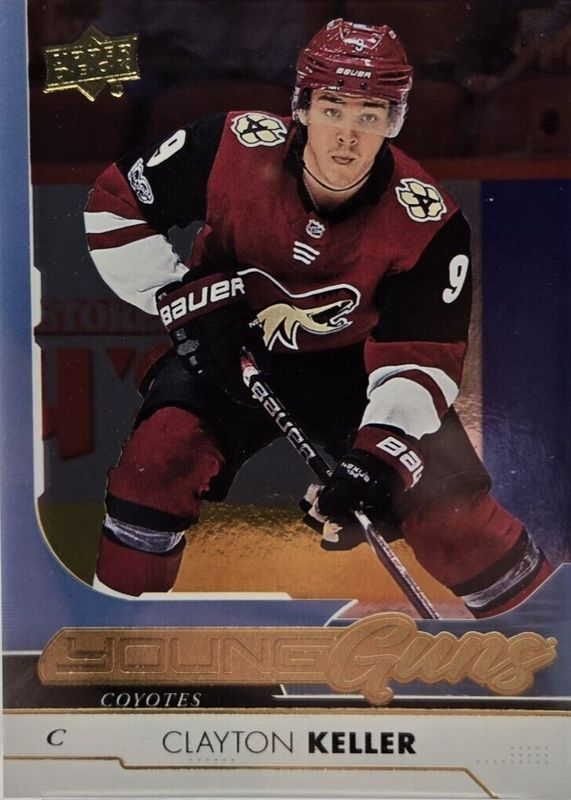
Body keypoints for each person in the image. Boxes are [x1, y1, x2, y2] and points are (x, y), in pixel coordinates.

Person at [84, 18, 552, 616]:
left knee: (453, 516)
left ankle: (534, 637)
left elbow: (421, 361)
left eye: (369, 115)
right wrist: (181, 297)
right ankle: (115, 624)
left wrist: (376, 458)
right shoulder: (230, 145)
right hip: (232, 347)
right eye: (332, 109)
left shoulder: (428, 221)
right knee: (156, 462)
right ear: (301, 107)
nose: (347, 138)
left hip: (356, 373)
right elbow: (114, 203)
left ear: (395, 121)